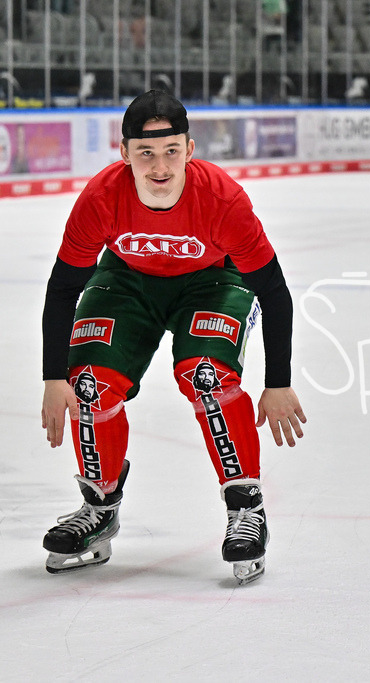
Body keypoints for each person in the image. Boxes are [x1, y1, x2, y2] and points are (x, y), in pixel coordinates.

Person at [40, 90, 306, 585]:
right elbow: (62, 289)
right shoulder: (101, 199)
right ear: (124, 154)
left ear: (189, 148)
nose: (159, 168)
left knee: (207, 375)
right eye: (145, 154)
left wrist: (278, 381)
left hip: (212, 281)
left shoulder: (222, 200)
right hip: (128, 281)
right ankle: (99, 505)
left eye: (170, 152)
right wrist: (56, 378)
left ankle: (245, 507)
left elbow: (273, 288)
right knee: (90, 383)